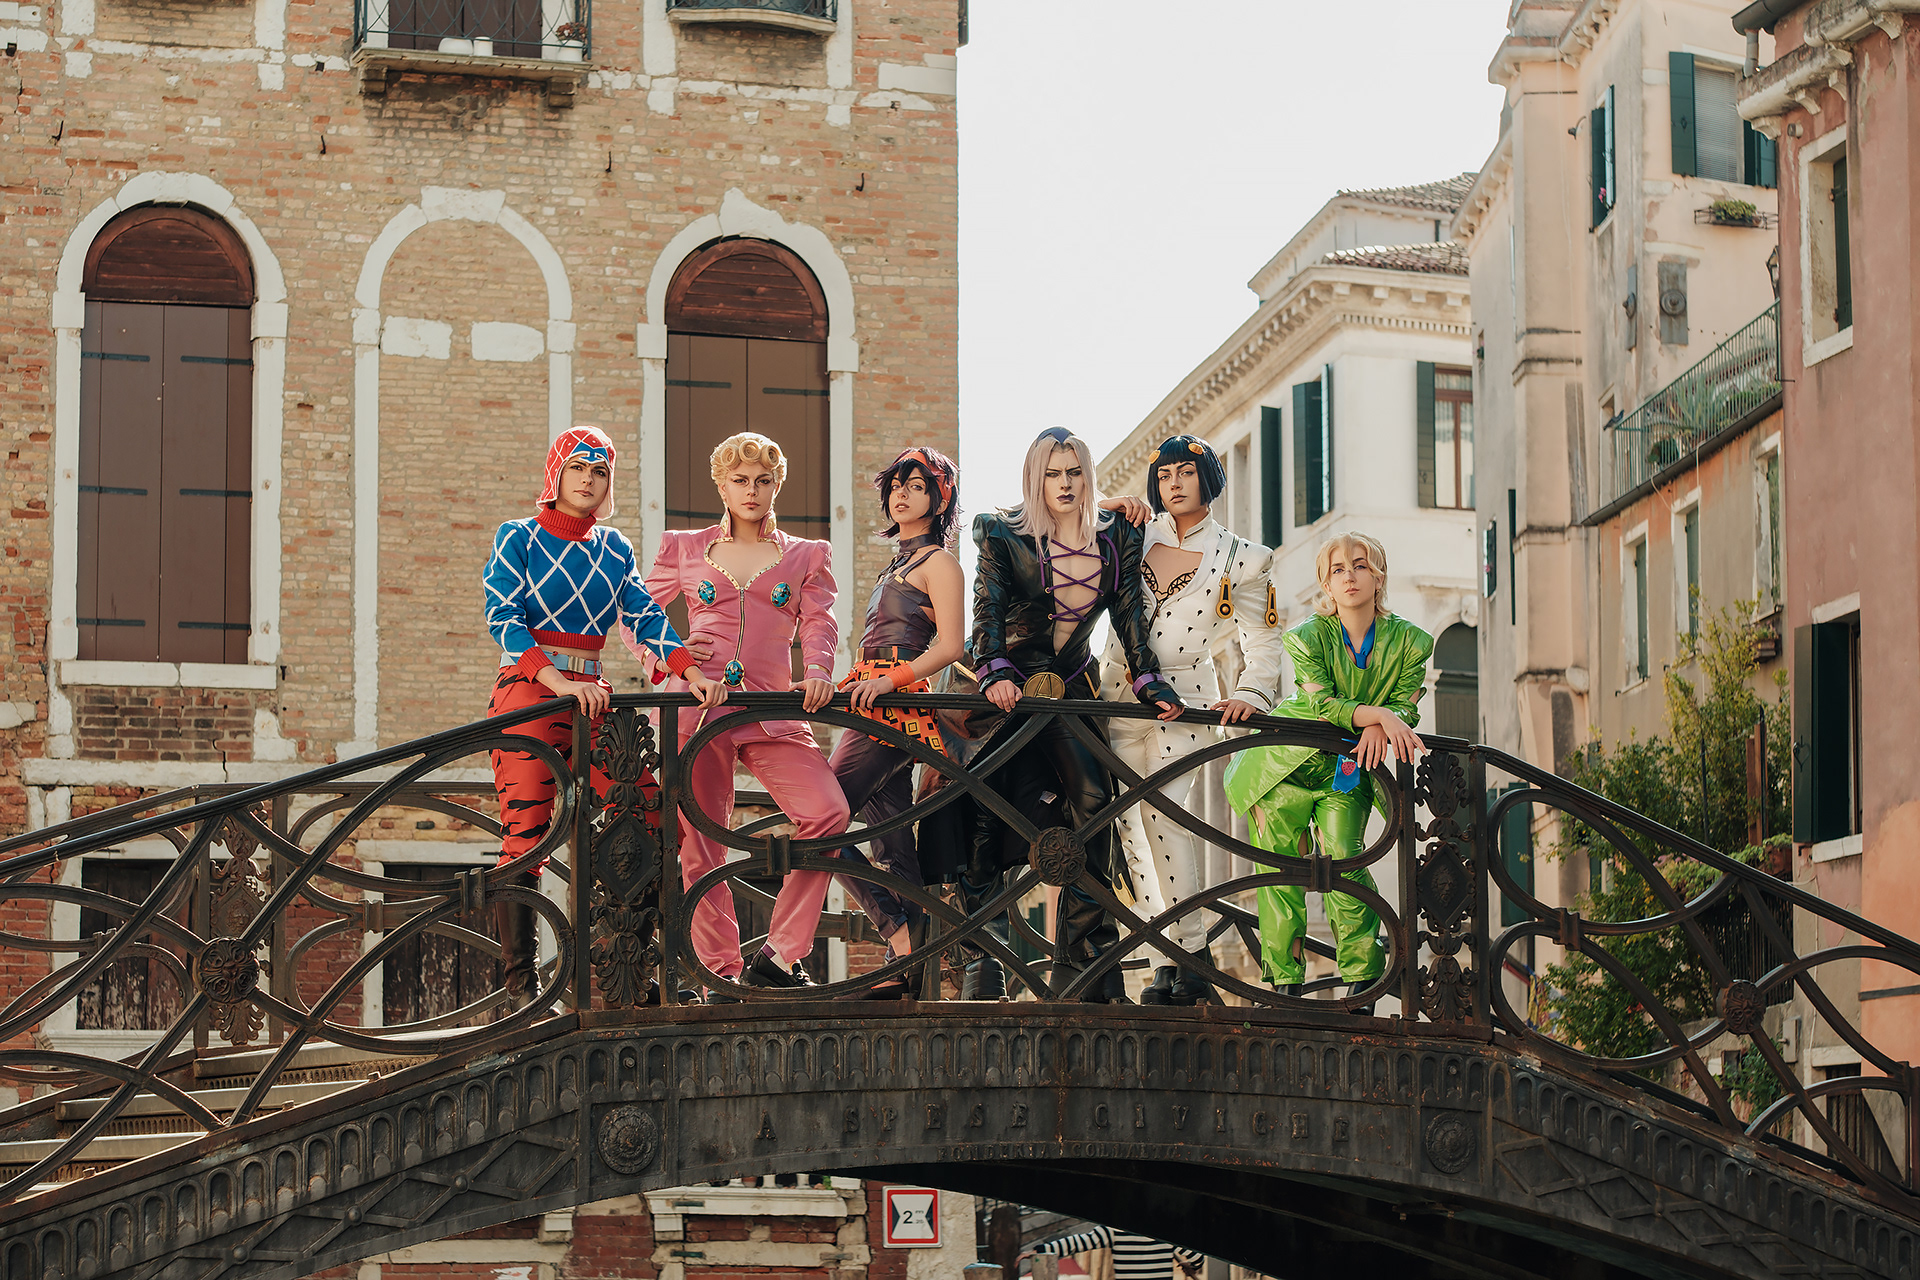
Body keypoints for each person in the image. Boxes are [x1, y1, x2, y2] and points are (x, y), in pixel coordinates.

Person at [482, 425, 725, 1012]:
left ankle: (634, 972)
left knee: (649, 815)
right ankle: (521, 992)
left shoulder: (614, 549)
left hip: (593, 700)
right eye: (578, 468)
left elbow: (644, 616)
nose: (588, 480)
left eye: (599, 472)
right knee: (526, 834)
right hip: (530, 693)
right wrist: (559, 682)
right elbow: (503, 617)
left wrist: (688, 671)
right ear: (555, 474)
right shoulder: (518, 536)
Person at [959, 427, 1182, 1003]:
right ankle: (983, 955)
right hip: (1003, 688)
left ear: (1088, 476)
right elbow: (987, 610)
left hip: (1072, 687)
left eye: (1074, 472)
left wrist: (1146, 676)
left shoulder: (1117, 534)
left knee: (1094, 801)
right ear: (1035, 479)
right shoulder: (1000, 531)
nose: (1064, 483)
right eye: (1052, 473)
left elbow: (1129, 611)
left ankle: (1081, 958)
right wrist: (994, 671)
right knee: (983, 807)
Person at [645, 431, 849, 996]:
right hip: (699, 709)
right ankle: (720, 973)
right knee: (700, 847)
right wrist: (674, 659)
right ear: (722, 485)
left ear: (776, 485)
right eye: (740, 480)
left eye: (763, 480)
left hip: (773, 709)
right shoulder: (683, 547)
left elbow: (819, 621)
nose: (751, 491)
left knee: (828, 813)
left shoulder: (807, 554)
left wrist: (819, 670)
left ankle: (780, 955)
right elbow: (640, 614)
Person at [1099, 434, 1284, 1006]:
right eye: (1164, 475)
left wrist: (1252, 693)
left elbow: (1265, 641)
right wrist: (1107, 503)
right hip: (1115, 694)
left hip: (1188, 700)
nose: (1173, 483)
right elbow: (1061, 523)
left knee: (1166, 817)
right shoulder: (1133, 532)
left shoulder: (1244, 558)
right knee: (1129, 828)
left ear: (1208, 479)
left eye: (1184, 472)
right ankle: (1165, 961)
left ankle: (1193, 956)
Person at [1222, 531, 1431, 1010]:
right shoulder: (1307, 636)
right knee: (1280, 872)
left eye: (1360, 566)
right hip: (1284, 767)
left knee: (1346, 858)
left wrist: (1382, 721)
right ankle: (1284, 983)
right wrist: (1379, 716)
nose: (1349, 576)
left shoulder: (1412, 643)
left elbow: (1407, 708)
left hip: (1346, 770)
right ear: (1327, 585)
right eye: (1338, 570)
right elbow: (1323, 705)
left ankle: (1364, 977)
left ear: (1378, 577)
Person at [830, 447, 966, 997]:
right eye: (895, 485)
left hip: (894, 706)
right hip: (870, 702)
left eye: (916, 485)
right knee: (891, 840)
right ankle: (911, 967)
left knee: (819, 821)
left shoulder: (939, 563)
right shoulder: (897, 565)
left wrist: (890, 681)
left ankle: (904, 938)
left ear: (940, 498)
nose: (901, 494)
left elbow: (952, 645)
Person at [1021, 1224, 1202, 1280]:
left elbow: (1079, 1242)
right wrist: (1192, 1266)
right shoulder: (1167, 1228)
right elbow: (1196, 1255)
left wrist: (1041, 1249)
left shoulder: (1114, 1228)